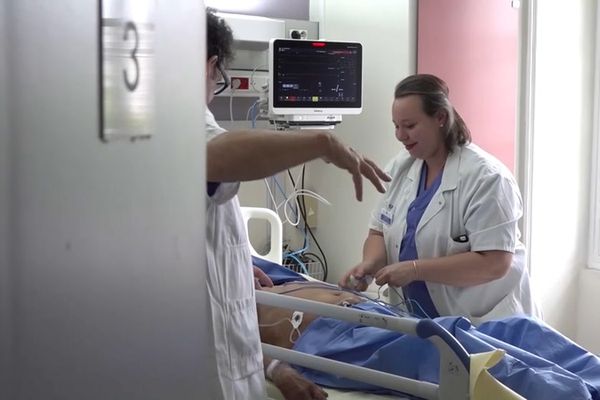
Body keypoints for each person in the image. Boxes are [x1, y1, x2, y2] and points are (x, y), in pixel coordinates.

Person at [204, 9, 391, 400]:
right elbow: (214, 154)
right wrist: (321, 143)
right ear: (210, 66)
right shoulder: (179, 129)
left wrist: (239, 266)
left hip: (346, 314)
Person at [339, 74, 541, 324]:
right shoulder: (402, 166)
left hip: (487, 324)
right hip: (421, 322)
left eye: (410, 126)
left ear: (440, 118)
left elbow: (495, 263)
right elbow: (379, 231)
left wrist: (415, 270)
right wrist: (369, 265)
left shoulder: (487, 178)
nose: (400, 135)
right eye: (396, 126)